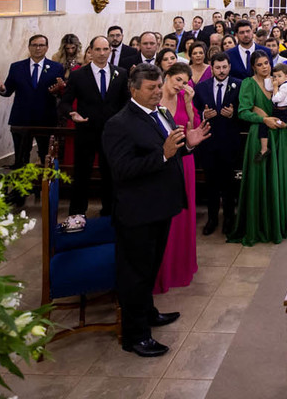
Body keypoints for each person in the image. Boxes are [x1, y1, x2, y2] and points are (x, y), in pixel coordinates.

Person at [103, 64, 210, 358]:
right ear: (133, 89)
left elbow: (172, 151)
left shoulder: (160, 113)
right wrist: (163, 154)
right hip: (138, 211)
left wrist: (188, 146)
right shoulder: (119, 124)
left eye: (158, 86)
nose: (156, 92)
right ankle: (134, 336)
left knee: (150, 268)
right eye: (150, 88)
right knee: (135, 274)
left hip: (161, 206)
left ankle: (147, 313)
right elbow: (123, 170)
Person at [229, 50, 287, 246]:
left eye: (266, 63)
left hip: (280, 136)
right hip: (258, 138)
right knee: (259, 180)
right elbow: (242, 112)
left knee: (278, 179)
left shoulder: (281, 81)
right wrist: (263, 119)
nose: (265, 67)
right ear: (253, 67)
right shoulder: (248, 84)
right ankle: (258, 225)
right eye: (260, 64)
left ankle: (278, 224)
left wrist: (286, 122)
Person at [59, 35, 129, 217]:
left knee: (110, 175)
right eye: (97, 49)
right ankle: (77, 213)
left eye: (105, 49)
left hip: (112, 135)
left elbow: (126, 103)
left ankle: (109, 212)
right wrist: (71, 114)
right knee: (81, 175)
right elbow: (64, 103)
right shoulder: (78, 75)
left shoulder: (120, 73)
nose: (102, 53)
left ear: (110, 51)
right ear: (90, 51)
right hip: (86, 132)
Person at [0, 35, 64, 199]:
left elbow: (61, 92)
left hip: (46, 120)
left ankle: (47, 191)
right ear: (29, 47)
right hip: (21, 120)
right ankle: (19, 192)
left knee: (46, 157)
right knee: (20, 158)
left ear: (47, 47)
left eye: (41, 45)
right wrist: (2, 88)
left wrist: (58, 90)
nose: (38, 48)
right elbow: (7, 91)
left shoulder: (56, 67)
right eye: (34, 45)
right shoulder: (17, 67)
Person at [154, 62, 199, 294]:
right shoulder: (154, 98)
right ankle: (162, 269)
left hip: (184, 161)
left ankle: (181, 265)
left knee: (183, 214)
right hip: (160, 161)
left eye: (185, 81)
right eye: (177, 79)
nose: (180, 85)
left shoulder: (184, 99)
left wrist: (190, 104)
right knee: (164, 215)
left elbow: (194, 127)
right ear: (167, 76)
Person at [192, 52, 241, 236]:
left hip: (230, 142)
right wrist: (205, 116)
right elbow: (195, 111)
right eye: (217, 67)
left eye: (224, 67)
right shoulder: (202, 87)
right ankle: (212, 219)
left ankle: (229, 218)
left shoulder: (239, 85)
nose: (221, 71)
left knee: (229, 183)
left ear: (229, 67)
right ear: (211, 68)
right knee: (211, 182)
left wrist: (234, 114)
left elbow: (244, 109)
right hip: (209, 142)